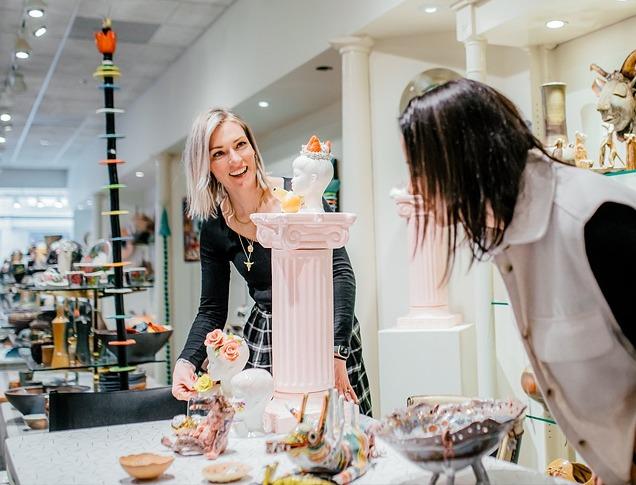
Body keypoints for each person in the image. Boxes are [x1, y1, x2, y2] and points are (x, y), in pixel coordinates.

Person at [399, 78, 636, 485]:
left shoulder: (593, 221)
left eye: (418, 170)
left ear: (463, 158)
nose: (413, 188)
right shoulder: (509, 234)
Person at [172, 108, 371, 416]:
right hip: (266, 333)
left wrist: (336, 351)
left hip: (327, 331)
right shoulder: (214, 225)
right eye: (219, 153)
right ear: (206, 166)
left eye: (240, 145)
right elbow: (211, 309)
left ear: (252, 146)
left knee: (337, 432)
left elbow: (340, 273)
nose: (236, 160)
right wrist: (186, 362)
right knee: (271, 429)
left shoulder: (301, 195)